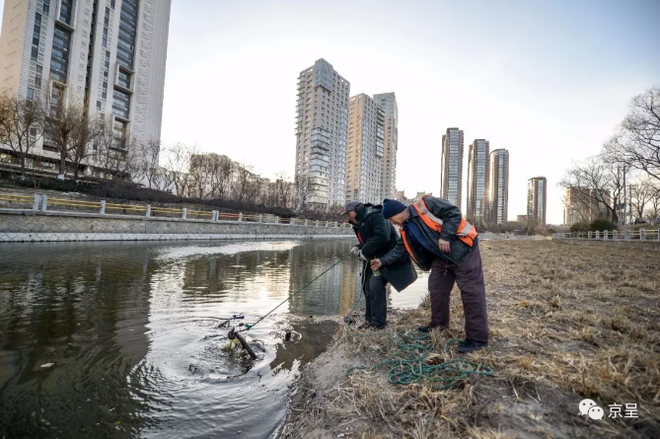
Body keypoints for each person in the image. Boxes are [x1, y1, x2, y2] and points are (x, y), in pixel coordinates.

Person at [381, 196, 488, 353]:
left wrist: (445, 237)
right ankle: (438, 324)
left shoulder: (427, 204)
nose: (392, 222)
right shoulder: (405, 229)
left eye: (391, 218)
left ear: (399, 211)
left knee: (471, 293)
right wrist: (382, 261)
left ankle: (477, 339)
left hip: (463, 252)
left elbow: (454, 213)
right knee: (436, 288)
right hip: (441, 258)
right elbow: (399, 249)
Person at [342, 200, 417, 329]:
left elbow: (382, 237)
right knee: (367, 287)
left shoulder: (375, 215)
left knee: (375, 286)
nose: (348, 217)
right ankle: (369, 320)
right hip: (374, 259)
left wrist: (364, 252)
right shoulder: (359, 222)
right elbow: (370, 240)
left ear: (357, 210)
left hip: (388, 259)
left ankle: (378, 324)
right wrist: (358, 247)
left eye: (349, 213)